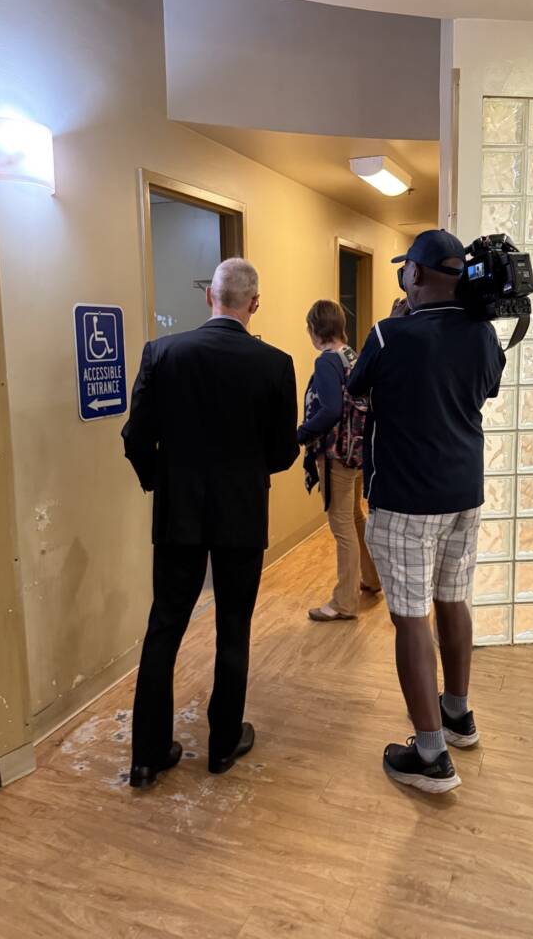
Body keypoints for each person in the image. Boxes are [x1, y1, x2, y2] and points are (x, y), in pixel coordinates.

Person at [122, 258, 298, 788]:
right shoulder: (276, 363)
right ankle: (222, 745)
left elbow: (135, 436)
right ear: (255, 303)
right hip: (242, 512)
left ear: (210, 298)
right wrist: (246, 474)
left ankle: (147, 756)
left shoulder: (163, 353)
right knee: (234, 627)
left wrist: (162, 481)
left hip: (178, 513)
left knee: (164, 626)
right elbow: (284, 450)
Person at [348, 230, 505, 794]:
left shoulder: (389, 336)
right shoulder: (484, 334)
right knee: (451, 600)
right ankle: (458, 714)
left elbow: (355, 387)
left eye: (404, 271)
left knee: (410, 618)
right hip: (464, 493)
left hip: (408, 500)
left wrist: (394, 330)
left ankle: (431, 755)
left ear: (414, 275)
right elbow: (483, 391)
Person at [297, 300, 381, 622]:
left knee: (341, 527)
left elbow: (330, 409)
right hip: (357, 452)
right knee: (356, 518)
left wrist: (302, 433)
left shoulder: (327, 362)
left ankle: (344, 602)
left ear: (316, 329)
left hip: (336, 455)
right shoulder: (353, 355)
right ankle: (371, 580)